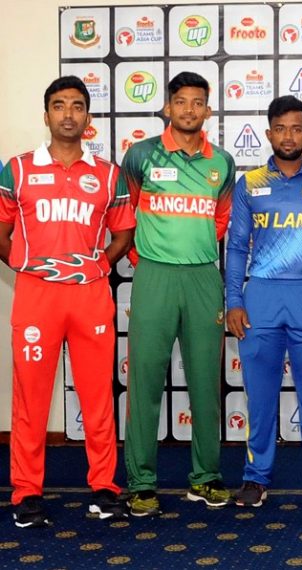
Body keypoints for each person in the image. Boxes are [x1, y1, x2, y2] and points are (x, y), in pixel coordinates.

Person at [0, 76, 134, 527]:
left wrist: (97, 266)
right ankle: (26, 492)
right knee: (31, 399)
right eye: (59, 106)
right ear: (47, 115)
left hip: (89, 296)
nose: (68, 114)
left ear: (88, 117)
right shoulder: (18, 170)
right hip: (36, 297)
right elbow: (1, 231)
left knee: (97, 396)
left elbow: (123, 234)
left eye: (77, 106)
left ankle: (104, 487)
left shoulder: (108, 174)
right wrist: (27, 265)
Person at [119, 72, 236, 516]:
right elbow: (126, 214)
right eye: (181, 102)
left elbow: (220, 219)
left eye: (198, 102)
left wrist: (195, 251)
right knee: (145, 381)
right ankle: (141, 484)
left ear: (208, 110)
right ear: (168, 108)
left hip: (203, 278)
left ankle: (205, 478)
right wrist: (145, 259)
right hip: (155, 276)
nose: (189, 109)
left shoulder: (221, 162)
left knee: (206, 381)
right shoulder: (141, 155)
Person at [226, 95, 302, 508]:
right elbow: (236, 247)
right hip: (260, 297)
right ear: (269, 134)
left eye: (296, 129)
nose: (288, 136)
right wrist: (234, 300)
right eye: (280, 129)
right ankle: (255, 477)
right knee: (260, 398)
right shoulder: (250, 184)